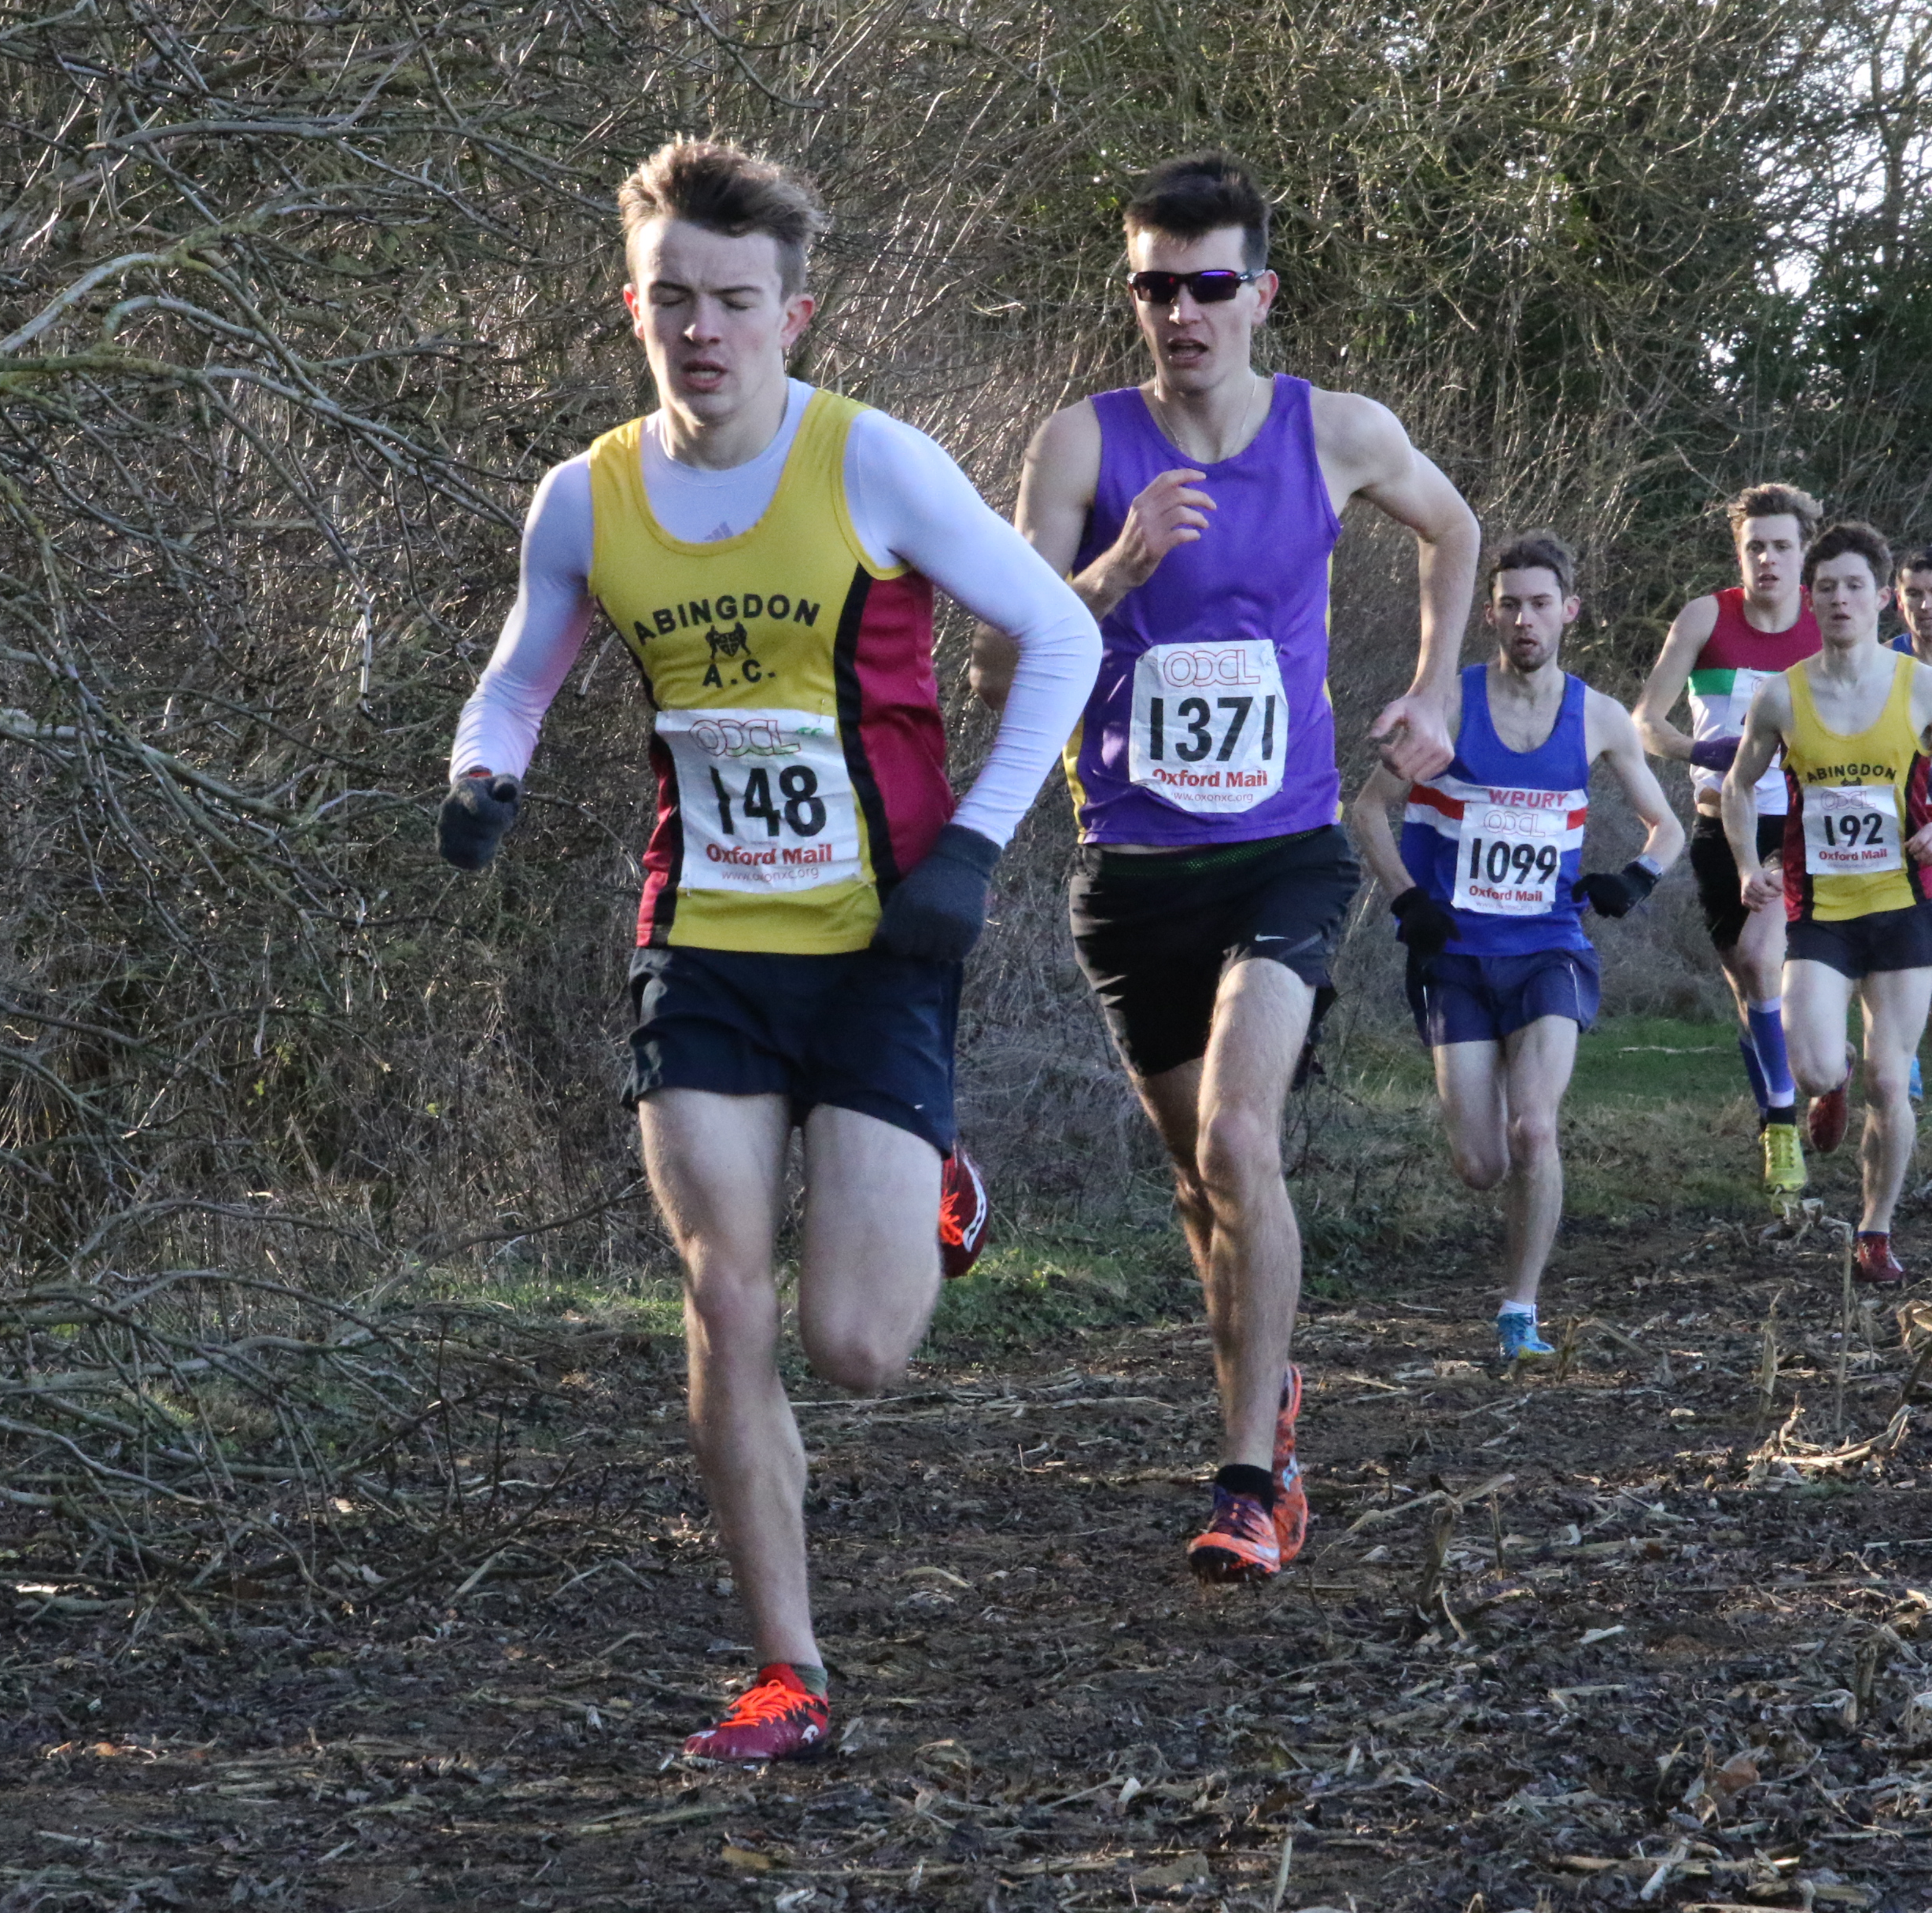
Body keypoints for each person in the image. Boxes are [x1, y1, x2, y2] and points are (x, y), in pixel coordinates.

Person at [442, 140, 1101, 1761]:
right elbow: (519, 677)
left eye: (735, 301)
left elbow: (1062, 632)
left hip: (882, 940)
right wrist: (482, 774)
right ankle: (785, 1675)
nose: (702, 330)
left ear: (791, 316)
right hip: (705, 941)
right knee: (724, 1297)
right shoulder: (586, 497)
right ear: (632, 307)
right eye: (671, 299)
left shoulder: (871, 464)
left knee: (855, 1348)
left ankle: (937, 1185)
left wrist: (973, 848)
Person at [1006, 151, 1480, 1583]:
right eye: (1154, 287)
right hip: (1129, 869)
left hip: (1284, 852)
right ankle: (1262, 1384)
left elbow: (1454, 526)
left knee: (1235, 1139)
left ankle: (1252, 1483)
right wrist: (1115, 572)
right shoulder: (1078, 448)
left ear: (1260, 294)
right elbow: (1002, 656)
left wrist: (1434, 689)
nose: (1181, 313)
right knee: (1197, 1180)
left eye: (1209, 285)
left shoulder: (1335, 431)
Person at [1347, 534, 1683, 1363]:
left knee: (1535, 1129)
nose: (1524, 619)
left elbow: (1667, 826)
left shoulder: (1599, 717)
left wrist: (1635, 880)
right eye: (1509, 605)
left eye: (1540, 604)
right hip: (1456, 956)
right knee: (1481, 1164)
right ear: (1490, 615)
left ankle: (1519, 1311)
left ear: (1569, 611)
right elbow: (1367, 809)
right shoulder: (1450, 706)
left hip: (1548, 949)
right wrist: (1409, 900)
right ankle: (1494, 1097)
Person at [1725, 522, 1932, 1286]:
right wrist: (1746, 864)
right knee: (1813, 1066)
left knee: (1891, 1079)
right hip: (1821, 911)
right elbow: (1738, 785)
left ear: (1880, 598)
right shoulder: (1782, 694)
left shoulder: (1924, 687)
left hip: (1902, 905)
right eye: (1827, 588)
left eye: (1854, 586)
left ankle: (1875, 1229)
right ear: (1809, 599)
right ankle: (1833, 1078)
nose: (1840, 599)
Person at [1633, 485, 1823, 1198]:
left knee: (1761, 957)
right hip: (1720, 822)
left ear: (1804, 552)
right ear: (1739, 553)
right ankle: (1809, 1082)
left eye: (1781, 547)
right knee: (1749, 992)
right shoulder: (1705, 617)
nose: (1768, 560)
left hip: (1799, 825)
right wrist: (1699, 751)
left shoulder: (1825, 624)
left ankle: (1782, 1125)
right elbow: (1645, 722)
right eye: (1755, 548)